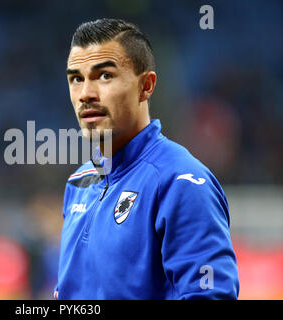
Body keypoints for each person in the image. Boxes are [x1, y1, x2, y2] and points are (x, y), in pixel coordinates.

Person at [55, 18, 239, 299]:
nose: (85, 95)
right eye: (76, 79)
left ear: (146, 86)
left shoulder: (182, 182)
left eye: (105, 76)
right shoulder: (78, 183)